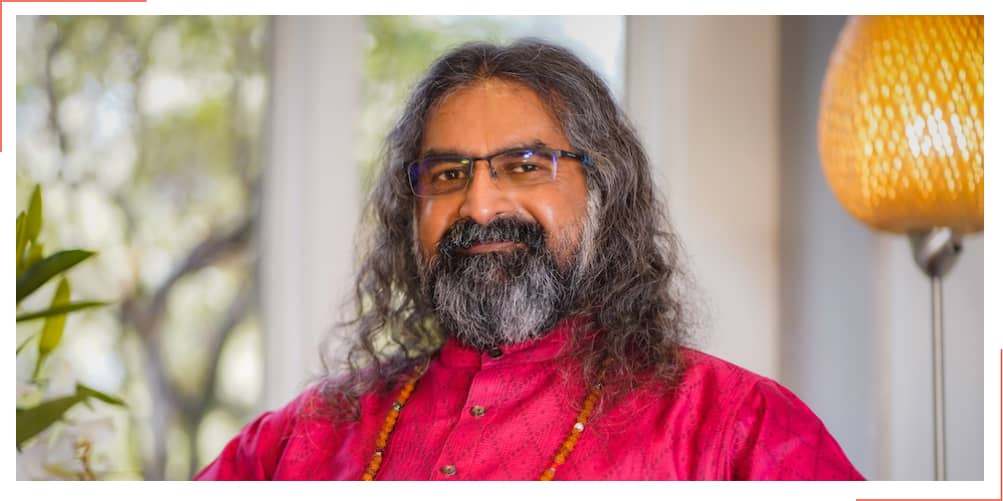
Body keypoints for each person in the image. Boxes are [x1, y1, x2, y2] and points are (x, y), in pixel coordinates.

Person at [195, 39, 864, 481]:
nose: (481, 206)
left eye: (523, 165)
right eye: (447, 175)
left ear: (602, 189)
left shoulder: (736, 425)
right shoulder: (302, 439)